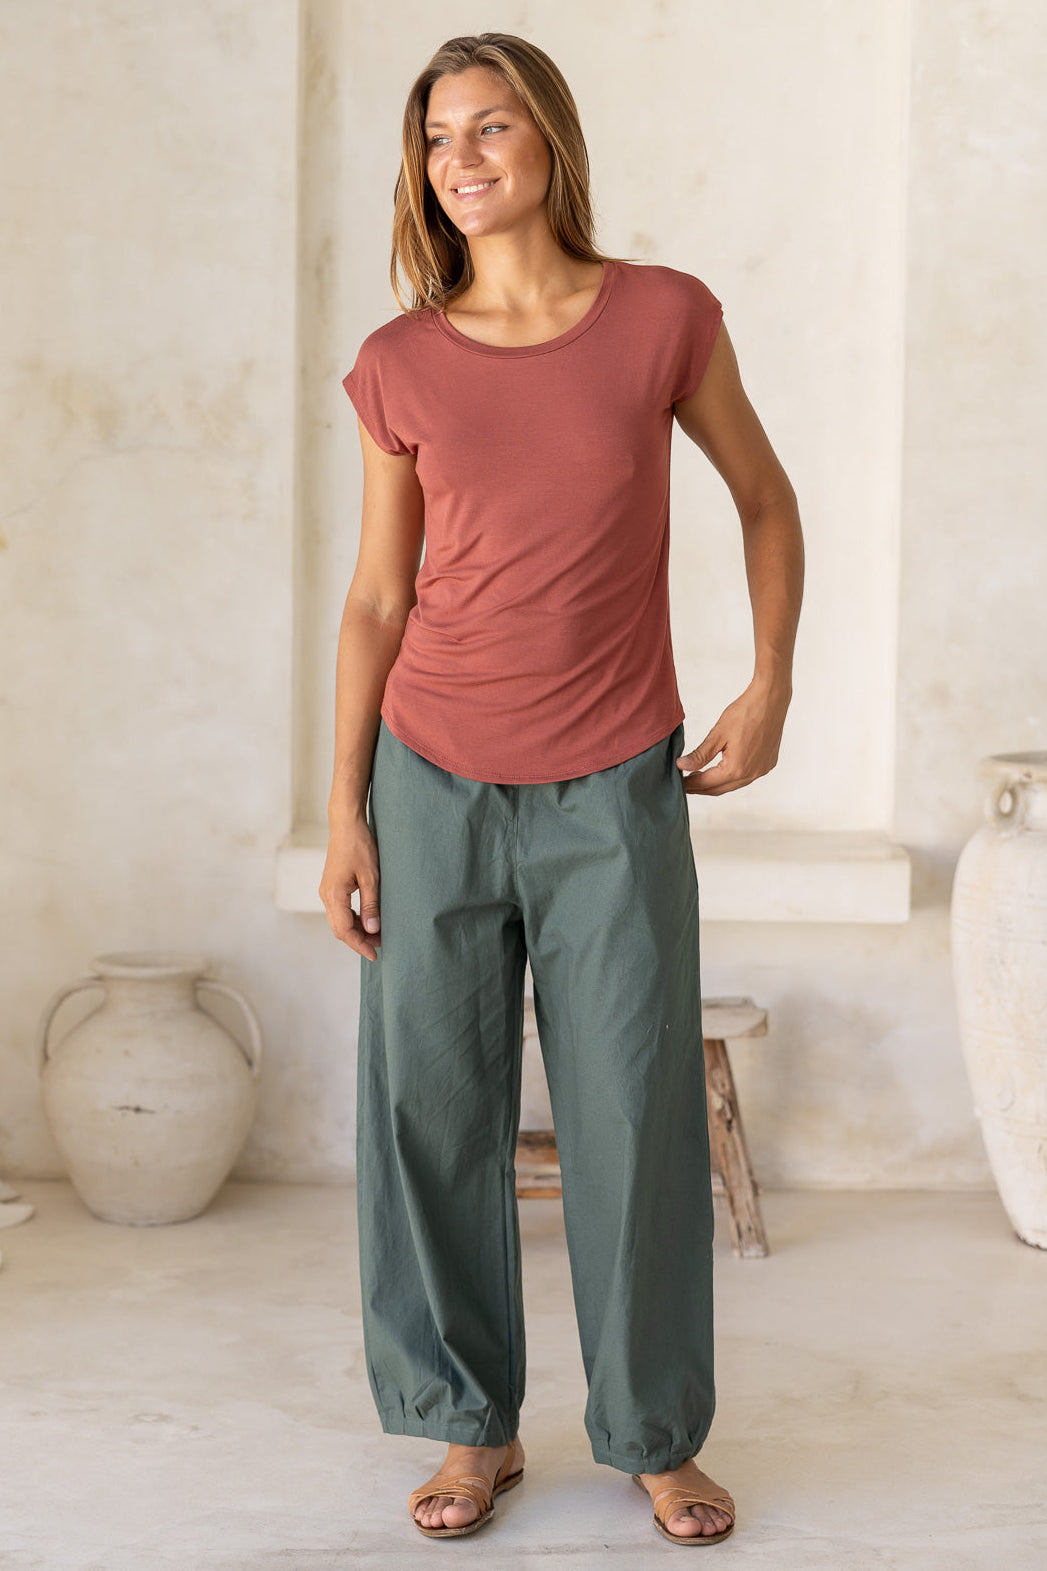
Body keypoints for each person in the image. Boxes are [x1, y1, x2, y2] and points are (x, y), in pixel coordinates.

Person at [320, 31, 804, 1547]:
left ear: (548, 139)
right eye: (437, 140)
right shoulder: (401, 361)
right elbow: (379, 601)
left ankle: (653, 1431)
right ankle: (470, 1431)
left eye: (489, 126)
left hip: (615, 784)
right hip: (432, 778)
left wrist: (771, 681)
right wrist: (347, 807)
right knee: (431, 1113)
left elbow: (767, 496)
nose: (462, 158)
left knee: (636, 1115)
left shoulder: (660, 319)